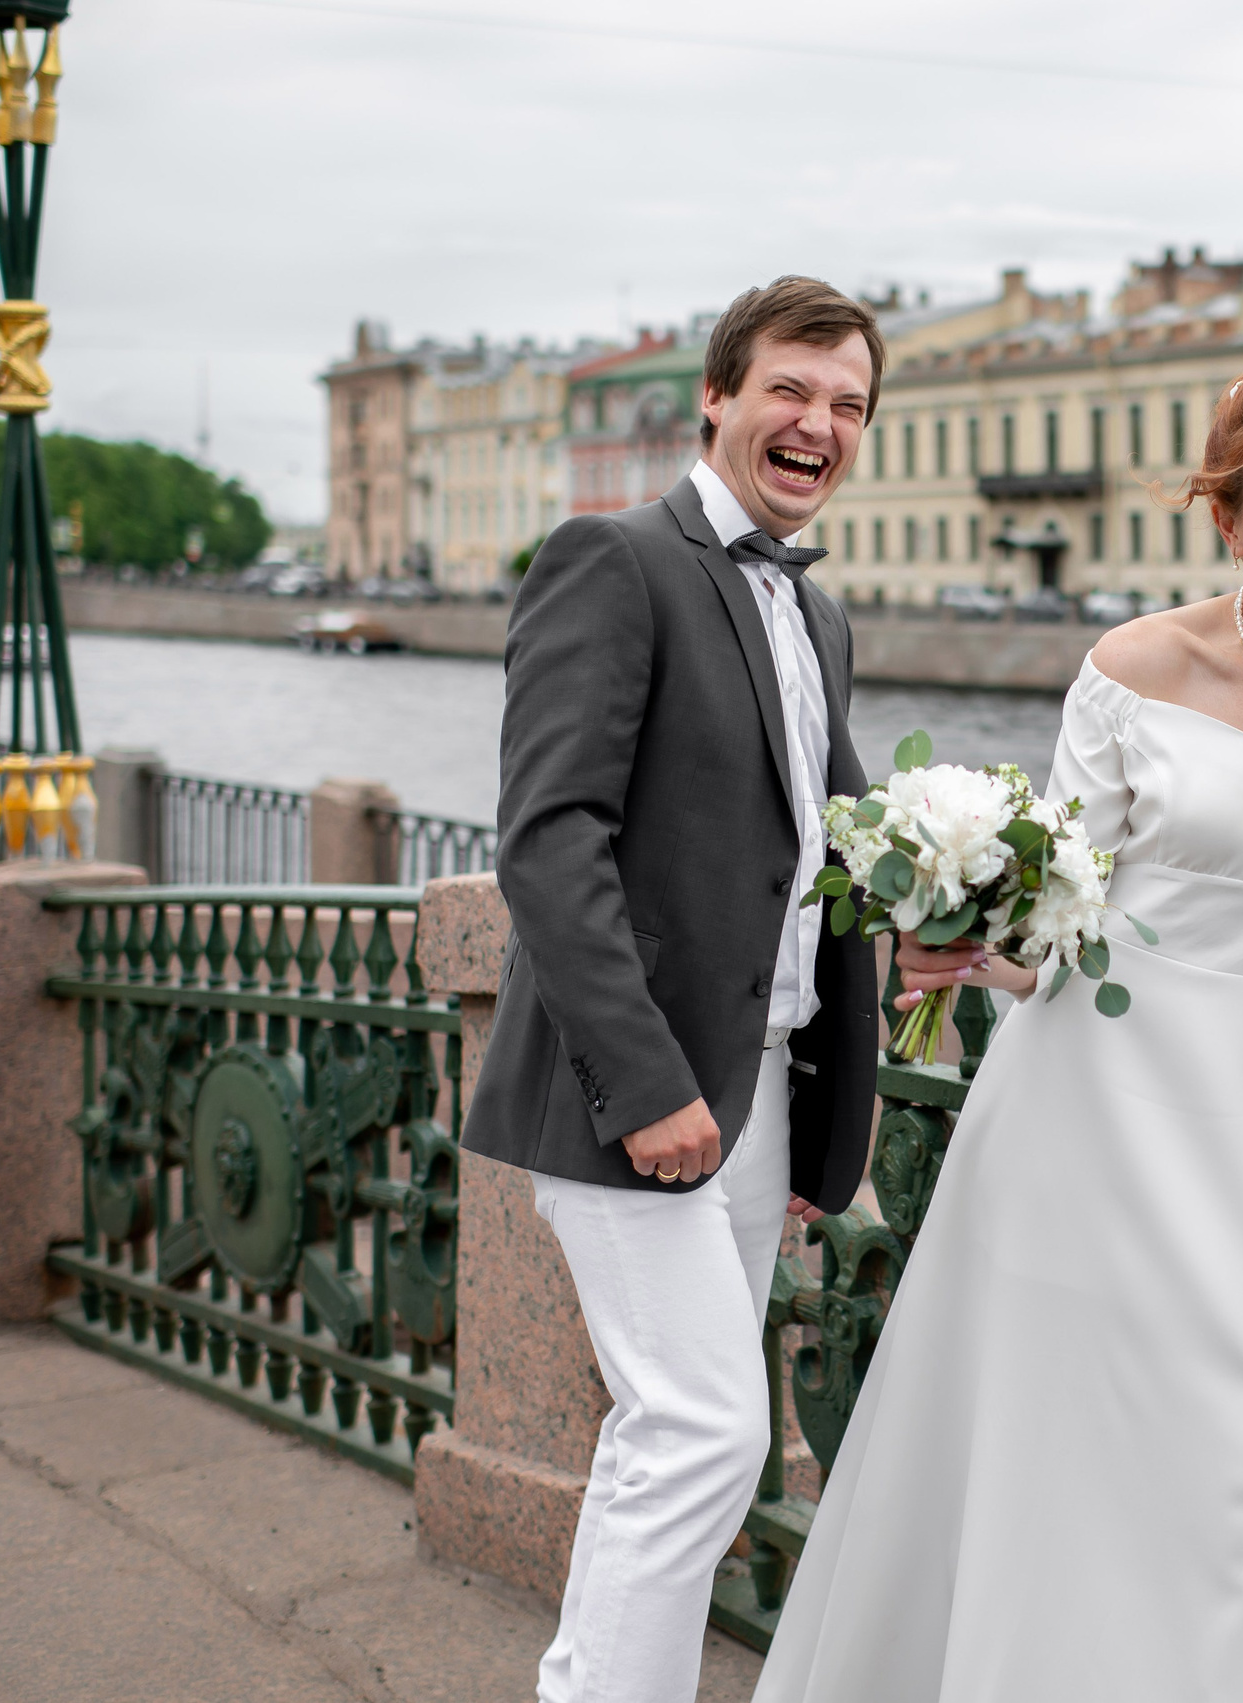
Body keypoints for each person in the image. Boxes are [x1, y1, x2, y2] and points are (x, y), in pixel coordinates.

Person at [755, 362, 1243, 1701]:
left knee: (1236, 1464)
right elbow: (1067, 913)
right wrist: (959, 936)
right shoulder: (1133, 667)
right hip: (1083, 1104)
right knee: (1054, 1445)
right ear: (1228, 522)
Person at [462, 276, 884, 1703]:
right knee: (707, 1431)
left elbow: (820, 860)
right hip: (630, 1088)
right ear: (716, 397)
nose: (818, 424)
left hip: (761, 1088)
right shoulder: (614, 557)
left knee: (672, 1438)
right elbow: (546, 841)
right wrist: (649, 1089)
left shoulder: (816, 622)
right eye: (792, 391)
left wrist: (945, 926)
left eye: (847, 405)